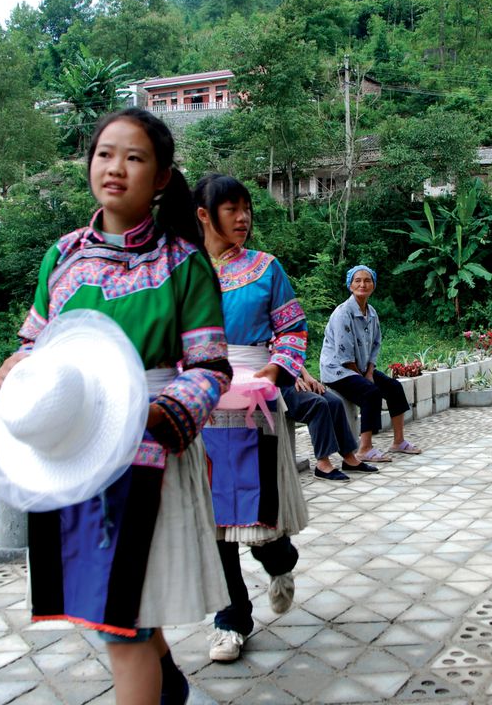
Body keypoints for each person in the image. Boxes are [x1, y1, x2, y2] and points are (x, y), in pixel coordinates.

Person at [0, 108, 230, 704]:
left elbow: (208, 369)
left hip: (145, 454)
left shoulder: (183, 263)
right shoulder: (63, 255)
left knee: (122, 621)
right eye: (104, 154)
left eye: (134, 157)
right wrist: (16, 369)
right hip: (71, 456)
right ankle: (169, 686)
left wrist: (150, 413)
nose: (115, 168)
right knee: (111, 613)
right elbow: (33, 343)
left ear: (161, 176)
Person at [193, 173, 311, 664]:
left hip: (255, 403)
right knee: (213, 521)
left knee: (261, 520)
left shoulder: (266, 268)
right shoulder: (184, 274)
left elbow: (293, 329)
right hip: (199, 405)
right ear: (204, 215)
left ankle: (281, 562)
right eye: (231, 209)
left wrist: (274, 367)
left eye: (247, 209)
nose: (243, 218)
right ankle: (230, 620)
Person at [320, 265, 419, 462]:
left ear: (373, 285)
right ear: (350, 285)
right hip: (338, 371)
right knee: (370, 392)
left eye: (367, 280)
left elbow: (376, 344)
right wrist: (364, 378)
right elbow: (344, 355)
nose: (362, 284)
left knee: (394, 387)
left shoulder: (371, 313)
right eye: (357, 280)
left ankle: (398, 441)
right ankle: (364, 448)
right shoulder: (343, 313)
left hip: (363, 368)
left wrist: (370, 372)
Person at [289, 366, 381, 482]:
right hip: (275, 385)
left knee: (334, 402)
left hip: (294, 379)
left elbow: (291, 355)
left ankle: (349, 457)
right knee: (318, 404)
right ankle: (323, 463)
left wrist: (306, 375)